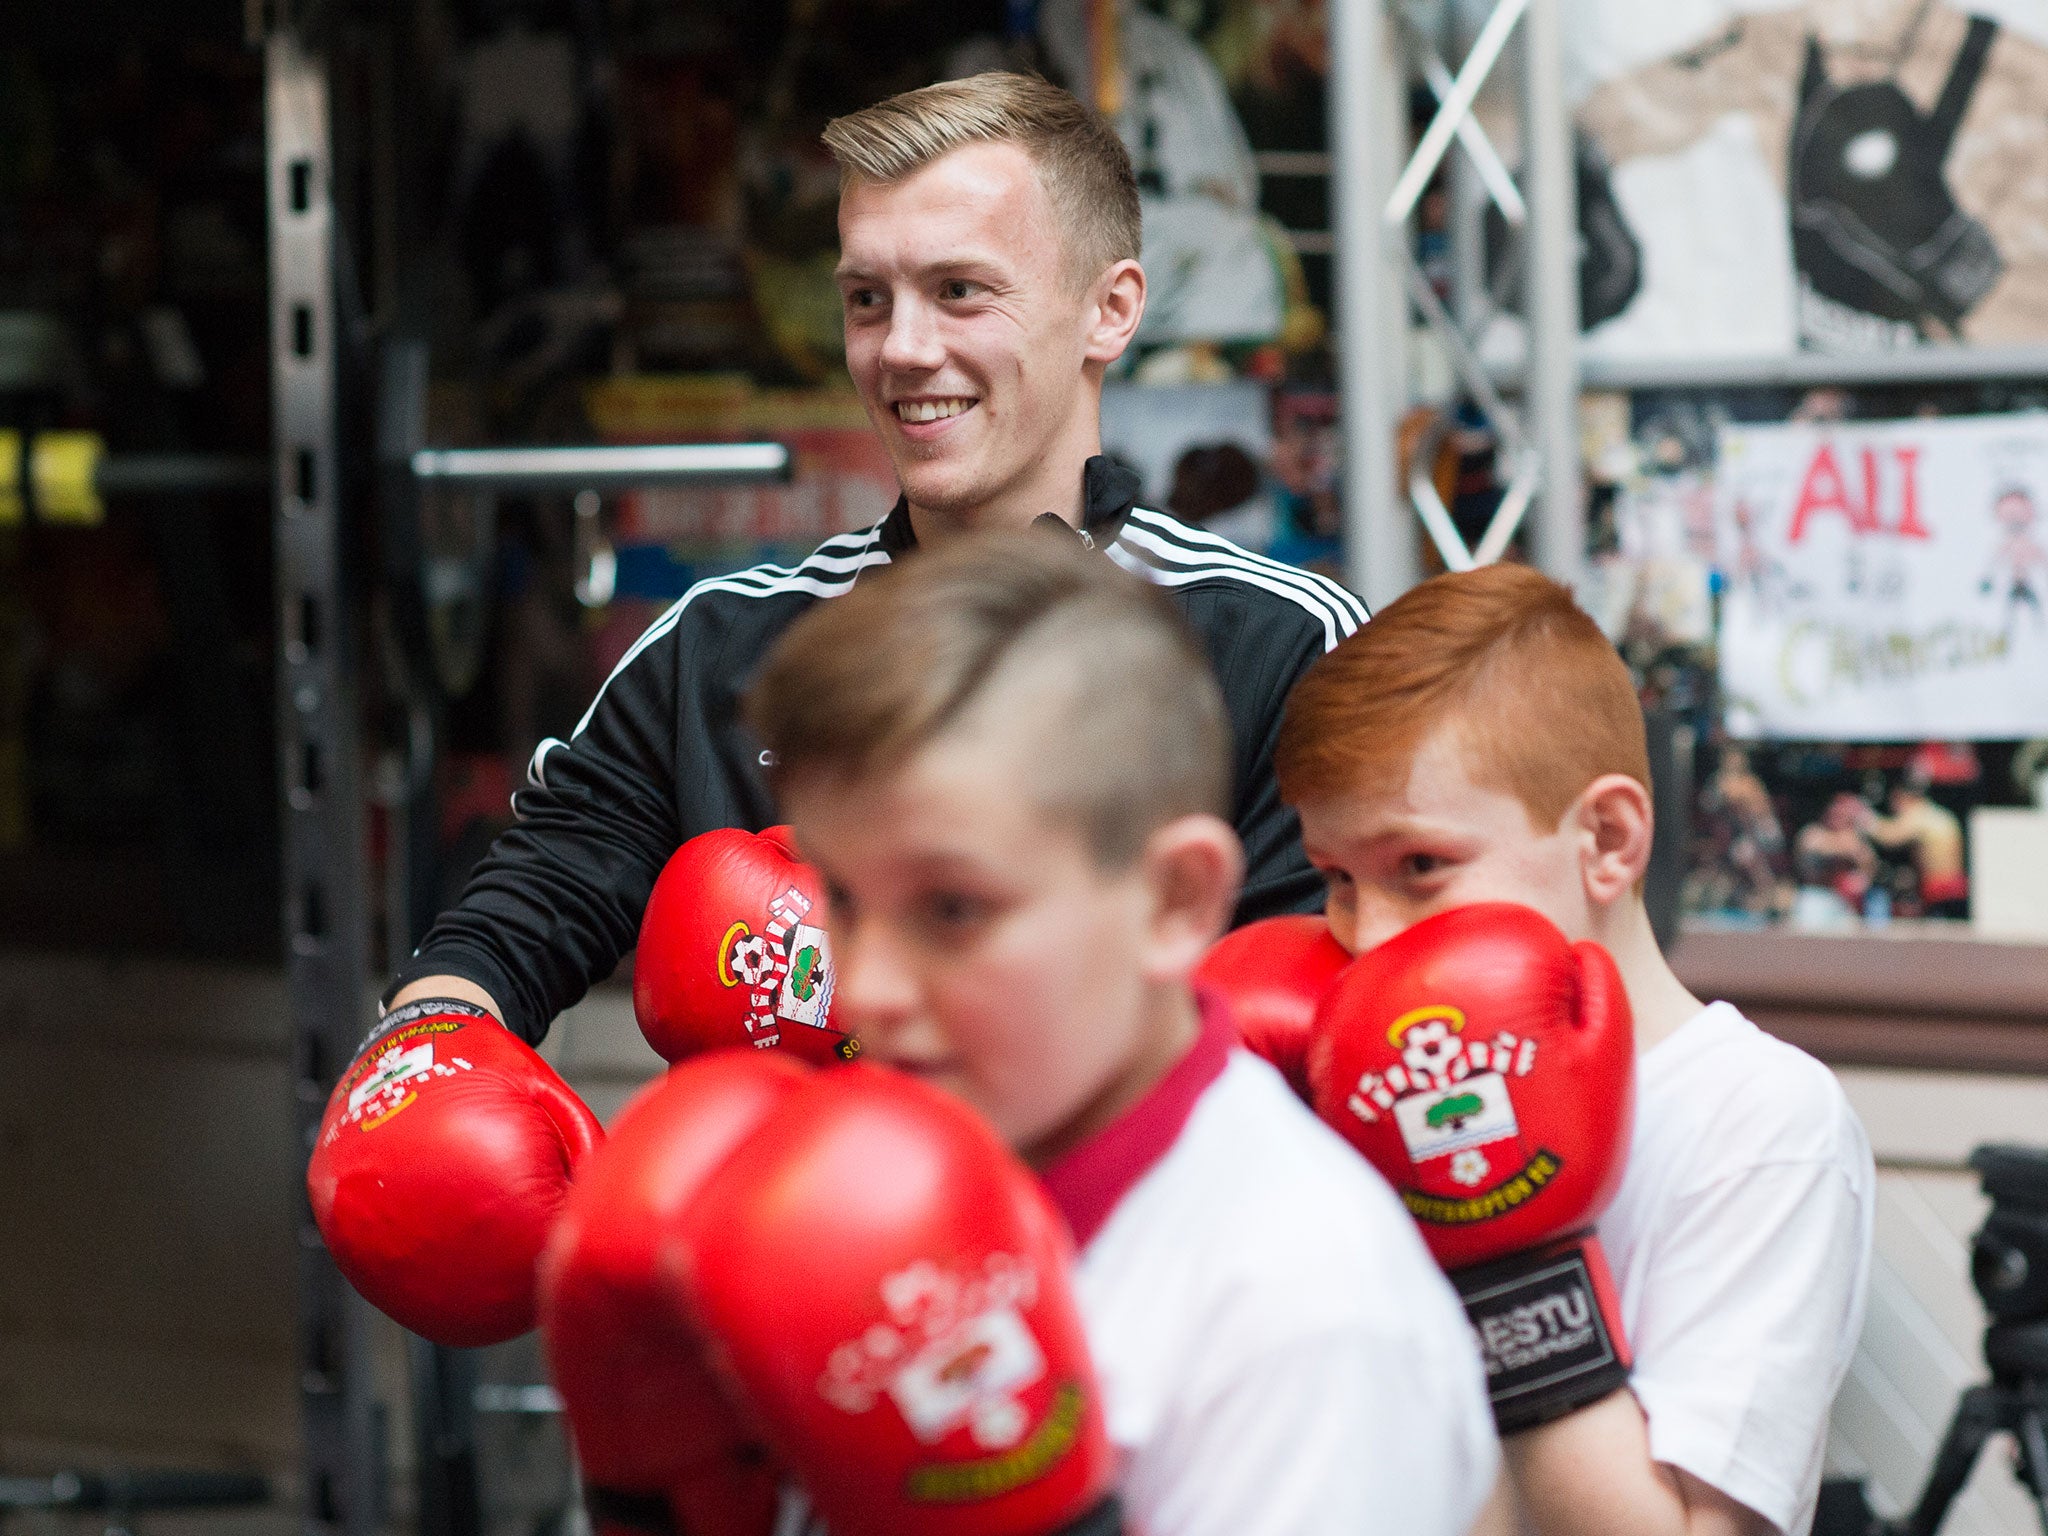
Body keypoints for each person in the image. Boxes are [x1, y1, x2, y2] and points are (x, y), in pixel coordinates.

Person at [381, 70, 1366, 1043]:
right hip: (790, 1201)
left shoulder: (1276, 643)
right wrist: (429, 1060)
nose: (900, 349)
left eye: (958, 291)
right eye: (865, 299)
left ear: (1108, 311)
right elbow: (526, 905)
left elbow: (1307, 1007)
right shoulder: (720, 646)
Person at [740, 526, 1500, 1536]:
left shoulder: (1296, 1318)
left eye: (952, 909)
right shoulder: (899, 1187)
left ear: (1175, 901)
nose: (866, 988)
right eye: (838, 897)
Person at [1272, 562, 1874, 1536]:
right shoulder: (1365, 1078)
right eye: (1336, 878)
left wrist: (1498, 1223)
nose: (1365, 934)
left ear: (1604, 837)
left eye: (1418, 866)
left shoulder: (1759, 1122)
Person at [1858, 772, 1969, 919]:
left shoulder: (1918, 815)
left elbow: (1889, 837)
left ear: (1902, 796)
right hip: (1957, 886)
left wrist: (1864, 818)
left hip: (1939, 889)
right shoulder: (1942, 814)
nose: (1892, 806)